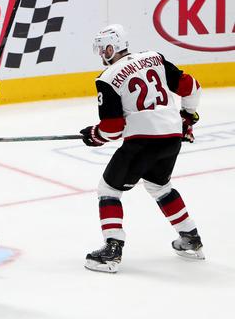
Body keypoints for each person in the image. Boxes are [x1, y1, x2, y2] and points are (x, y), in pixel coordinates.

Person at [81, 24, 204, 274]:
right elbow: (192, 86)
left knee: (109, 189)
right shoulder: (154, 58)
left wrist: (95, 135)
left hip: (142, 142)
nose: (101, 55)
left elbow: (113, 129)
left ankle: (112, 249)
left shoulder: (107, 78)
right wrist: (188, 118)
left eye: (102, 49)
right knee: (160, 187)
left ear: (109, 47)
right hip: (171, 137)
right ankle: (190, 237)